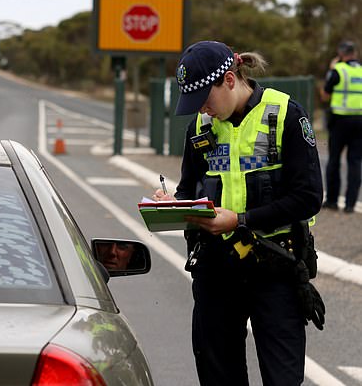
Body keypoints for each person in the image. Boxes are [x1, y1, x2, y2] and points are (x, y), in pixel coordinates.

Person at [152, 41, 324, 386]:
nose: (202, 108)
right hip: (216, 270)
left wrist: (241, 221)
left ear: (229, 80)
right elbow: (189, 188)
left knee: (283, 378)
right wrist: (173, 203)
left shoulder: (285, 115)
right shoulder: (200, 128)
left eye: (205, 98)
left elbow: (308, 197)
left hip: (275, 265)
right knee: (218, 376)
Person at [320, 40, 362, 213]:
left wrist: (331, 69)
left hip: (339, 121)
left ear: (341, 54)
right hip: (360, 120)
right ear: (355, 54)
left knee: (334, 160)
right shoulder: (361, 71)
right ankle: (351, 204)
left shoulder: (337, 71)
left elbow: (325, 96)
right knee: (355, 161)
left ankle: (332, 201)